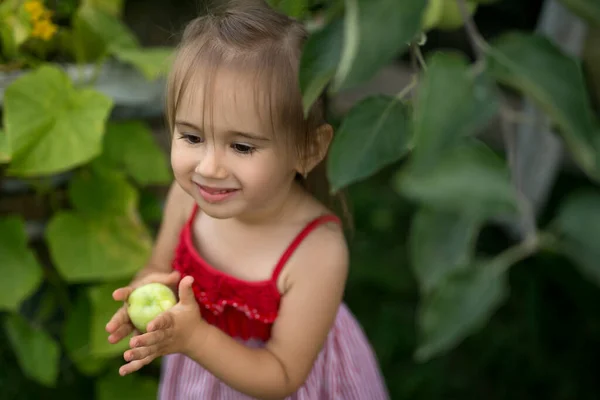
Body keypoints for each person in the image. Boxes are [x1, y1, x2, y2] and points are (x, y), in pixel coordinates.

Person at [105, 0, 389, 398]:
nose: (209, 167)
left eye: (240, 146)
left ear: (307, 149)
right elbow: (158, 266)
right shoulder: (188, 201)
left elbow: (282, 374)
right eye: (191, 136)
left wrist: (195, 339)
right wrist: (150, 299)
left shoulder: (315, 251)